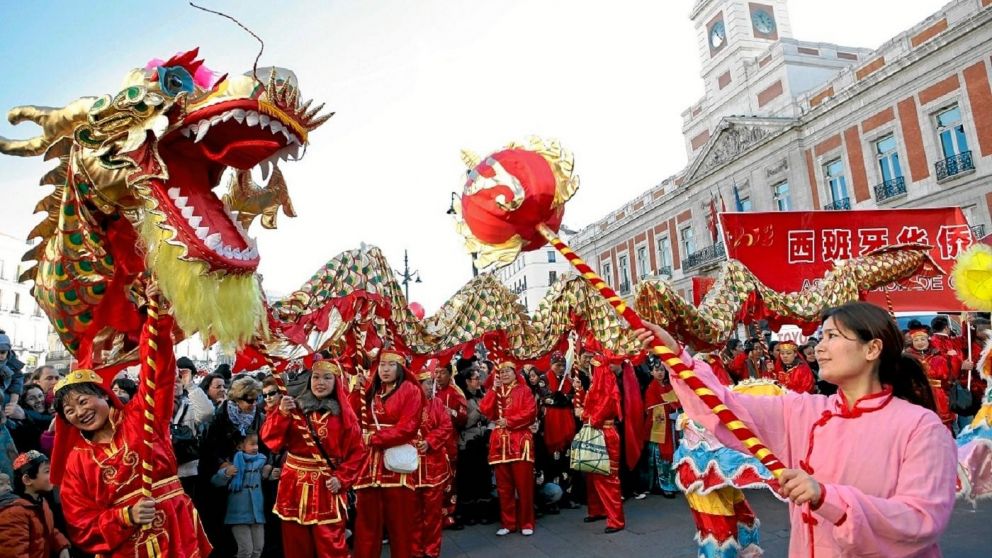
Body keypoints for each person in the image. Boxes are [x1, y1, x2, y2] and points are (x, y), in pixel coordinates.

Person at [638, 301, 957, 556]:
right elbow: (723, 409)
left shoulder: (920, 426)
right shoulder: (805, 411)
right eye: (821, 337)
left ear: (872, 349)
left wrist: (828, 497)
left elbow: (921, 519)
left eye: (832, 337)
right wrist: (677, 357)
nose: (818, 348)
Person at [54, 347, 212, 554]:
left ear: (105, 395)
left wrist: (156, 323)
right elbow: (80, 522)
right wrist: (126, 515)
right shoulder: (77, 461)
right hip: (128, 547)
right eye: (69, 411)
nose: (80, 412)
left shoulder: (140, 416)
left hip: (176, 528)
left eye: (83, 401)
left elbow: (159, 372)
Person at [261, 359, 363, 558]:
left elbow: (358, 453)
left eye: (327, 378)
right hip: (293, 486)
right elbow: (270, 440)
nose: (320, 382)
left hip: (327, 486)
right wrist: (280, 414)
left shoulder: (345, 416)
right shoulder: (294, 409)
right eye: (316, 377)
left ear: (336, 382)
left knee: (331, 546)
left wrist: (342, 479)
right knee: (295, 545)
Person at [354, 349, 424, 558]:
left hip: (396, 467)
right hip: (368, 466)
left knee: (401, 527)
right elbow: (352, 417)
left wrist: (374, 438)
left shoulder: (411, 390)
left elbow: (409, 427)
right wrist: (354, 391)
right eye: (382, 364)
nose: (385, 369)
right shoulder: (371, 390)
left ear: (400, 368)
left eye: (391, 365)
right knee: (366, 527)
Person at [199, 375, 265, 557]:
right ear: (236, 399)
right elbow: (209, 447)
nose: (253, 404)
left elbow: (264, 445)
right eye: (248, 399)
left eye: (256, 399)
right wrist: (222, 463)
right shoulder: (221, 415)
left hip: (250, 476)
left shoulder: (258, 417)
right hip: (224, 476)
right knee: (224, 527)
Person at [479, 361, 538, 537]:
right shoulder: (496, 390)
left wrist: (510, 421)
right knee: (503, 487)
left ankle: (527, 522)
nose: (504, 374)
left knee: (524, 486)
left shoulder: (524, 390)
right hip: (500, 444)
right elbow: (485, 410)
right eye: (501, 372)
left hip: (519, 441)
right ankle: (508, 522)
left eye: (507, 371)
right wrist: (493, 390)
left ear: (515, 373)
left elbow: (530, 412)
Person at [580, 354, 627, 533]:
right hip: (595, 431)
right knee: (592, 474)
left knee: (607, 477)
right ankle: (597, 510)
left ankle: (615, 519)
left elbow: (601, 412)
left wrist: (587, 417)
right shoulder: (595, 387)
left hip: (605, 433)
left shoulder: (607, 387)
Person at [412, 364, 454, 558]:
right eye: (426, 383)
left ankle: (431, 550)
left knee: (432, 513)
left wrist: (430, 442)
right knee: (413, 513)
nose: (430, 386)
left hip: (433, 466)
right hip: (410, 468)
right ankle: (415, 549)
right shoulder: (406, 404)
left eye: (431, 383)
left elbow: (446, 427)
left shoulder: (437, 403)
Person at [0, 451, 70, 558]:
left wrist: (62, 546)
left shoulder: (40, 501)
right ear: (27, 480)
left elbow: (47, 529)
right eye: (47, 471)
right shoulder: (13, 514)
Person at [212, 432, 268, 558]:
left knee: (258, 549)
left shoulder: (262, 461)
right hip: (238, 513)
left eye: (257, 444)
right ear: (240, 447)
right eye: (252, 444)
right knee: (246, 550)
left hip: (256, 514)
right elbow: (215, 482)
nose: (255, 447)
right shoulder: (233, 463)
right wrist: (226, 473)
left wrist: (269, 470)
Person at [454, 368, 492, 526]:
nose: (479, 381)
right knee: (469, 479)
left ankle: (484, 512)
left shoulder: (482, 395)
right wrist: (479, 410)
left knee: (483, 477)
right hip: (468, 442)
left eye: (479, 378)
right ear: (468, 381)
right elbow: (464, 422)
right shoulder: (462, 399)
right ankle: (468, 513)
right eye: (475, 378)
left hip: (482, 441)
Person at [430, 360, 465, 530]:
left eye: (442, 372)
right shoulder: (429, 392)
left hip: (449, 443)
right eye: (436, 372)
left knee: (450, 481)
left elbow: (463, 417)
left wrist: (451, 412)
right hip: (431, 445)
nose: (438, 376)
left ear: (450, 374)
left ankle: (449, 514)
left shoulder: (455, 392)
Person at [172, 357, 214, 497]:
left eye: (178, 381)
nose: (175, 384)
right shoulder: (152, 407)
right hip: (161, 471)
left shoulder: (189, 405)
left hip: (187, 471)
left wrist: (189, 384)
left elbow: (207, 413)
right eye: (170, 381)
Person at [643, 358, 680, 498]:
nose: (660, 373)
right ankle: (662, 485)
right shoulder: (651, 388)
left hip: (670, 426)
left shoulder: (668, 386)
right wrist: (668, 412)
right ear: (651, 372)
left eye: (662, 370)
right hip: (658, 427)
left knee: (672, 454)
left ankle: (672, 482)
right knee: (660, 457)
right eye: (657, 370)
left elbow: (675, 402)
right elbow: (651, 408)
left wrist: (675, 412)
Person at [906, 327, 956, 429]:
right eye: (916, 340)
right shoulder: (908, 358)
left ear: (928, 340)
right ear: (912, 342)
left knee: (943, 425)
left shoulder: (938, 356)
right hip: (917, 394)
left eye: (922, 339)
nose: (920, 342)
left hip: (938, 394)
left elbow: (946, 377)